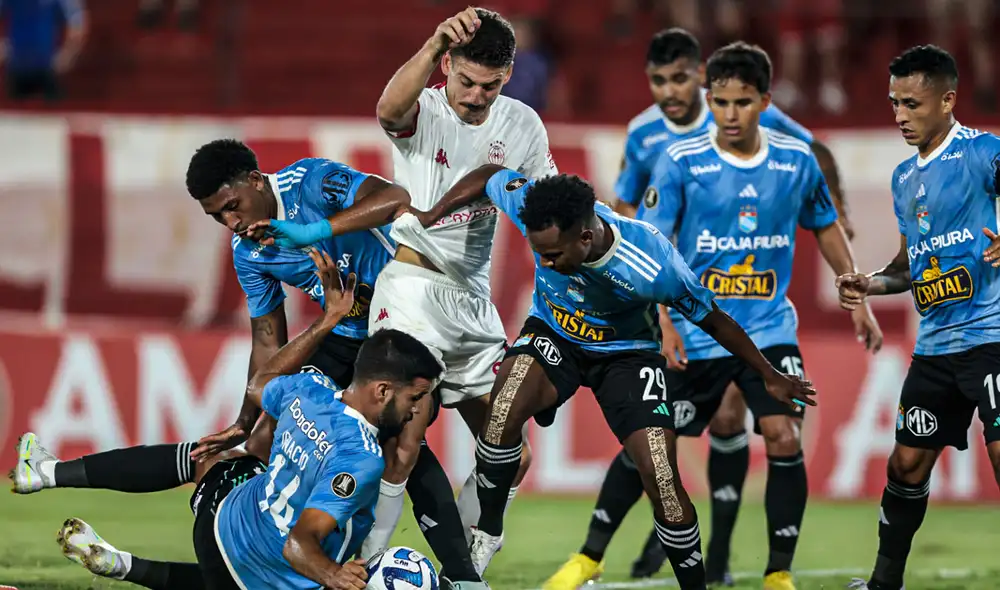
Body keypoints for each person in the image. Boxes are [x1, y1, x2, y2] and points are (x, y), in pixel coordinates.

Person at [401, 163, 817, 587]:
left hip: (627, 357)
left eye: (553, 255)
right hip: (555, 335)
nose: (543, 262)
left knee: (662, 480)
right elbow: (490, 173)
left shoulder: (652, 261)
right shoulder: (535, 205)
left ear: (585, 237)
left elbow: (713, 318)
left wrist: (768, 373)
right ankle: (487, 532)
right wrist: (435, 212)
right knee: (501, 412)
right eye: (538, 251)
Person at [249, 8, 555, 584]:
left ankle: (468, 562)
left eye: (489, 85)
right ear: (447, 66)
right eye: (465, 80)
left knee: (511, 456)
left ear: (509, 74)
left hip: (472, 300)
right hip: (412, 285)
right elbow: (388, 109)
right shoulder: (428, 107)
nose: (474, 96)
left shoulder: (524, 127)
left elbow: (542, 206)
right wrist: (437, 35)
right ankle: (354, 568)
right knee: (404, 441)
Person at [547, 28, 858, 589]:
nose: (730, 113)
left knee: (784, 434)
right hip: (695, 329)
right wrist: (663, 322)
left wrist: (852, 287)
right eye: (721, 101)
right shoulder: (675, 159)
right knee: (654, 441)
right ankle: (588, 557)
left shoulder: (795, 159)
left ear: (765, 102)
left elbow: (825, 224)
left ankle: (777, 574)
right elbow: (648, 243)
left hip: (766, 327)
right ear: (707, 97)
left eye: (742, 102)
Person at [16, 250, 443, 590]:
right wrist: (334, 576)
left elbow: (261, 383)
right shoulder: (361, 458)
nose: (416, 411)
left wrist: (326, 320)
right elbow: (299, 546)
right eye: (416, 398)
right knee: (294, 557)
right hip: (269, 573)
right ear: (383, 390)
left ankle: (56, 482)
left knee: (215, 457)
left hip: (222, 530)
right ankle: (118, 556)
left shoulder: (309, 389)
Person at [839, 45, 1000, 590]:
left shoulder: (982, 153)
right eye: (894, 104)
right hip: (935, 348)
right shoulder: (904, 178)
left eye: (912, 103)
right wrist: (870, 283)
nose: (901, 116)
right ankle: (884, 584)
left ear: (948, 99)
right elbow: (909, 267)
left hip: (992, 336)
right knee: (906, 466)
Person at [0, 0, 87, 101]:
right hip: (17, 69)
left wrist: (69, 53)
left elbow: (77, 22)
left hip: (47, 69)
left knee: (53, 111)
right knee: (14, 113)